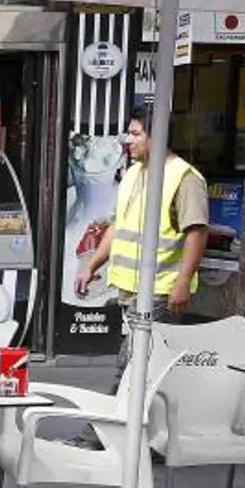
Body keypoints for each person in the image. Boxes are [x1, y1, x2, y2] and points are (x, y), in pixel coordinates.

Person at [75, 106, 209, 387]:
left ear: (156, 136)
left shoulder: (184, 177)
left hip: (160, 289)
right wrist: (92, 266)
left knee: (135, 364)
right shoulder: (134, 173)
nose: (128, 139)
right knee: (145, 365)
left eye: (136, 133)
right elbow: (118, 225)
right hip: (131, 288)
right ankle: (142, 425)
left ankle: (104, 428)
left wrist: (182, 282)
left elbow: (197, 231)